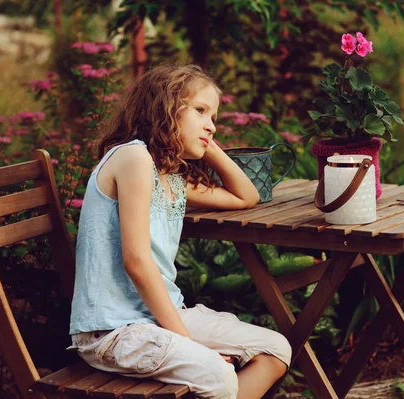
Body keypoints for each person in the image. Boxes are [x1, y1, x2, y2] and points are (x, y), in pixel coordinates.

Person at [68, 64, 291, 399]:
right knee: (220, 378)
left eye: (214, 117)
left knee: (275, 349)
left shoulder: (170, 177)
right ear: (164, 110)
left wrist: (207, 143)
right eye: (200, 111)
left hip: (157, 318)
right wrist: (188, 342)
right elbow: (137, 262)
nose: (211, 125)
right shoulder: (133, 158)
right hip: (113, 331)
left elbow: (247, 196)